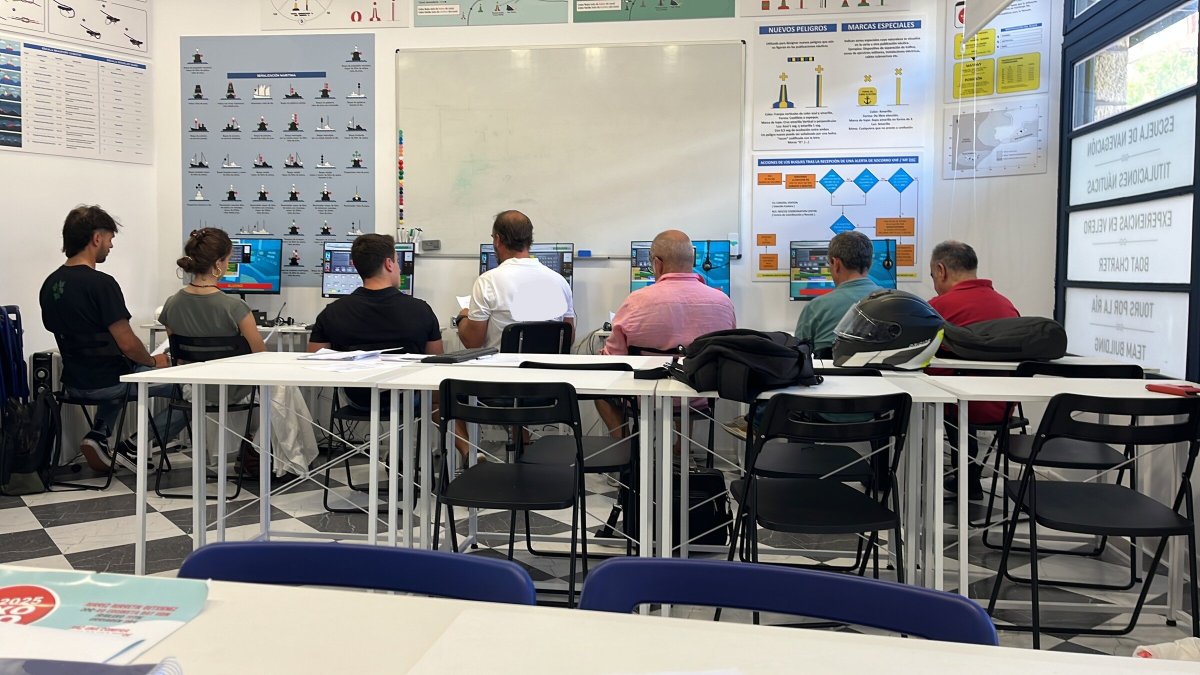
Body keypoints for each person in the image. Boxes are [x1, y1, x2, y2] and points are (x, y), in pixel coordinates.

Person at [39, 205, 182, 472]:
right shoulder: (102, 284)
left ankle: (98, 435)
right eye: (109, 238)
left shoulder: (50, 284)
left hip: (73, 383)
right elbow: (127, 344)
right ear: (96, 238)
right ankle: (135, 447)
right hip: (109, 383)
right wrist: (153, 362)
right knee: (189, 390)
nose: (111, 245)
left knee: (119, 368)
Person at [598, 230, 736, 436]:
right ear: (692, 261)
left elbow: (612, 359)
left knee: (600, 392)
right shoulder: (723, 302)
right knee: (687, 370)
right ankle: (681, 450)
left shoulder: (636, 301)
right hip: (699, 395)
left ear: (657, 263)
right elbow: (728, 353)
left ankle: (625, 447)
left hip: (644, 395)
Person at [928, 240, 1019, 500]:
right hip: (1003, 406)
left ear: (941, 270)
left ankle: (951, 476)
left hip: (959, 403)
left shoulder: (939, 306)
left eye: (932, 276)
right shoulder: (1006, 305)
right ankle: (969, 476)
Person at [308, 233, 443, 392]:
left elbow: (314, 363)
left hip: (356, 399)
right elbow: (437, 366)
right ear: (389, 264)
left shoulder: (331, 313)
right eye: (397, 262)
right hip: (408, 399)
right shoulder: (421, 310)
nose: (399, 268)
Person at [456, 210, 574, 350]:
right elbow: (568, 338)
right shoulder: (561, 282)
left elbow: (473, 342)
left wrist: (462, 317)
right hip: (546, 364)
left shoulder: (487, 282)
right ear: (529, 240)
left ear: (497, 240)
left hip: (503, 364)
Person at [794, 231, 880, 357]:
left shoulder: (815, 308)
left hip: (831, 369)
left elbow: (797, 356)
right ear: (870, 263)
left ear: (836, 264)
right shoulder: (895, 303)